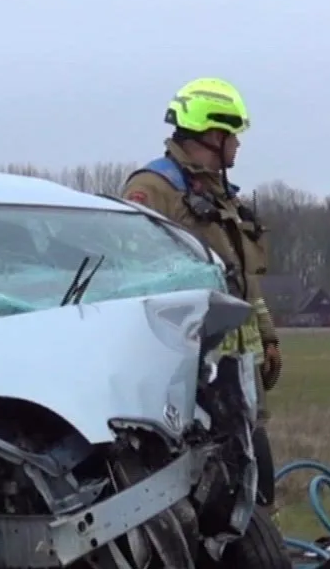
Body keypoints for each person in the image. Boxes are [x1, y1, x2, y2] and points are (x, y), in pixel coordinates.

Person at [120, 78, 282, 495]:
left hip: (238, 376)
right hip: (192, 377)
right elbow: (132, 281)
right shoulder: (154, 190)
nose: (238, 146)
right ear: (213, 134)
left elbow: (246, 282)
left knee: (255, 482)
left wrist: (267, 336)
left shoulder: (224, 197)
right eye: (234, 135)